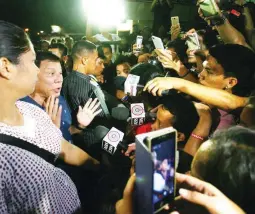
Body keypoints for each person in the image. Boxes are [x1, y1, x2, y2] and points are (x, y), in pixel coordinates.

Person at [0, 20, 101, 213]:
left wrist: (103, 170)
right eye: (31, 61)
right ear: (6, 66)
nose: (37, 70)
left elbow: (65, 148)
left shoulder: (30, 111)